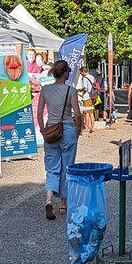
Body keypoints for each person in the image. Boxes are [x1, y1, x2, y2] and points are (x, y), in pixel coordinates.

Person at [36, 59, 82, 220]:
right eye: (68, 71)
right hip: (67, 129)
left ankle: (49, 199)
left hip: (51, 130)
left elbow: (40, 112)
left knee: (52, 166)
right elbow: (77, 113)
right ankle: (63, 204)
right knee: (67, 166)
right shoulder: (71, 91)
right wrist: (78, 130)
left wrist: (43, 129)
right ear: (64, 73)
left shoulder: (45, 90)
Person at [76, 66, 96, 136]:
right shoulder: (92, 77)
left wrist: (79, 90)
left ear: (83, 72)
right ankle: (92, 127)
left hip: (86, 97)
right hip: (92, 96)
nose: (81, 74)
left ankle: (87, 127)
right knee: (91, 113)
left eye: (81, 73)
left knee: (86, 113)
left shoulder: (84, 78)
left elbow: (85, 89)